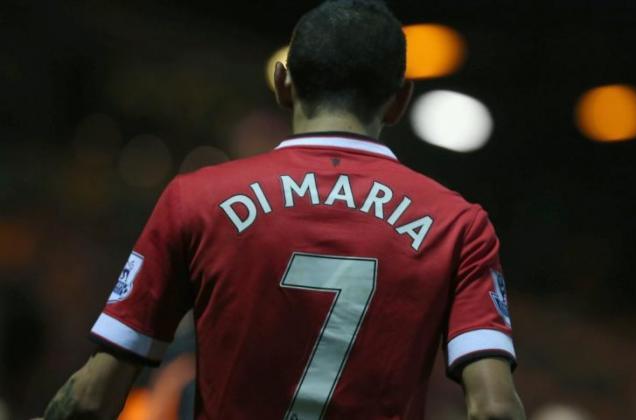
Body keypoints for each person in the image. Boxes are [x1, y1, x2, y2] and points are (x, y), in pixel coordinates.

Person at [41, 0, 525, 419]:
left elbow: (92, 397)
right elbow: (494, 408)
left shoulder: (196, 200)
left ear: (282, 83)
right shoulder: (458, 226)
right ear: (400, 100)